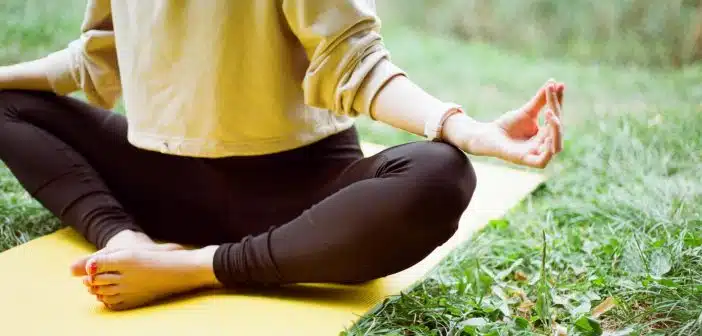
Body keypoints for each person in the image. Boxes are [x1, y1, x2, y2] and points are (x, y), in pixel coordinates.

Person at [0, 1, 564, 311]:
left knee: (440, 175)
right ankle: (127, 243)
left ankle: (194, 268)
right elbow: (99, 57)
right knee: (5, 105)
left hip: (302, 197)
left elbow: (357, 63)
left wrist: (465, 131)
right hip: (165, 182)